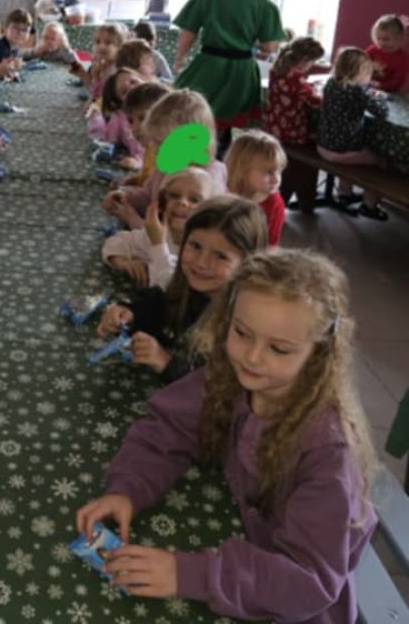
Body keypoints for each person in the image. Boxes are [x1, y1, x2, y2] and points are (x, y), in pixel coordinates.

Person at [77, 249, 377, 624]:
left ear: (317, 354)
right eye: (241, 332)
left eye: (278, 348)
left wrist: (188, 574)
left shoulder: (328, 452)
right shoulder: (229, 376)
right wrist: (127, 488)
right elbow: (169, 428)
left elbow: (308, 581)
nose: (252, 357)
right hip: (248, 554)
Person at [97, 195, 268, 382]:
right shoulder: (188, 289)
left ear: (247, 264)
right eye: (195, 246)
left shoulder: (246, 324)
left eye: (220, 256)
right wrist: (129, 316)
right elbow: (158, 311)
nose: (201, 263)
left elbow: (223, 385)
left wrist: (167, 363)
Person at [172, 0, 285, 140]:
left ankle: (194, 152)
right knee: (230, 124)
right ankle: (223, 153)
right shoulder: (264, 5)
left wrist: (179, 61)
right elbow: (269, 47)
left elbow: (187, 35)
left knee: (192, 112)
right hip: (242, 71)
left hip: (209, 65)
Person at [104, 89, 226, 224]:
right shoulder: (167, 166)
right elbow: (148, 196)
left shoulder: (206, 183)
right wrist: (125, 195)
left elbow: (176, 234)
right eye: (154, 142)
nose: (154, 149)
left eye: (162, 144)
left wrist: (132, 218)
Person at [101, 167, 219, 287]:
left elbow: (172, 285)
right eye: (174, 196)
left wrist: (158, 244)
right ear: (162, 203)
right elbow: (116, 242)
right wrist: (123, 262)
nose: (182, 202)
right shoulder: (159, 234)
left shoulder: (205, 250)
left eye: (195, 200)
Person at [318, 47, 390, 220]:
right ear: (360, 72)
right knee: (379, 161)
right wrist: (379, 98)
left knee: (354, 152)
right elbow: (382, 112)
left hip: (323, 145)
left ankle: (345, 193)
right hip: (341, 152)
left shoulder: (331, 83)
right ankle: (370, 205)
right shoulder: (358, 92)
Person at [225, 130, 287, 245]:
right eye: (267, 172)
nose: (276, 179)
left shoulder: (274, 204)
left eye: (279, 171)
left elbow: (270, 245)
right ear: (242, 170)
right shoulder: (223, 192)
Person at [266, 35, 325, 146]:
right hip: (290, 131)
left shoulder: (275, 70)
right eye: (312, 62)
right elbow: (315, 102)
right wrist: (321, 93)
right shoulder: (298, 81)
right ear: (304, 61)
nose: (312, 65)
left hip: (273, 124)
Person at [87, 67, 145, 167]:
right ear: (121, 102)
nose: (132, 89)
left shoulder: (163, 102)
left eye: (133, 81)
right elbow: (107, 140)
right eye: (124, 91)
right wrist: (96, 118)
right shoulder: (119, 118)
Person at [118, 82, 171, 186]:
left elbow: (157, 192)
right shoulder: (150, 149)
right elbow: (147, 179)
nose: (134, 128)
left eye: (143, 118)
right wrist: (131, 181)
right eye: (130, 121)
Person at [77, 22, 127, 96]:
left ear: (120, 47)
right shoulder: (102, 64)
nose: (101, 46)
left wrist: (84, 76)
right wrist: (88, 75)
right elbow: (94, 90)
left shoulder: (116, 70)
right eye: (97, 42)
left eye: (108, 43)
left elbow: (99, 94)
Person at [366, 13, 409, 93]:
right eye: (378, 38)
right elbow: (360, 63)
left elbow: (398, 81)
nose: (381, 42)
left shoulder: (403, 58)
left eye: (386, 39)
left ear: (398, 38)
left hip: (390, 92)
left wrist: (381, 85)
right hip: (368, 85)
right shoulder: (372, 50)